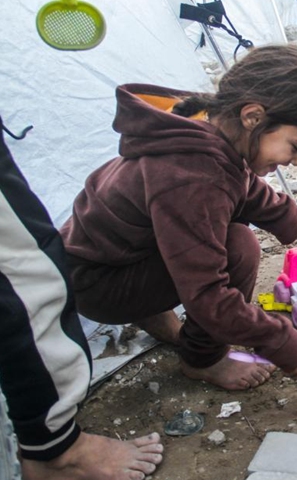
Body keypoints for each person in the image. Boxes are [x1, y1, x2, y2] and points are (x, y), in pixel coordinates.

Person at [59, 45, 297, 392]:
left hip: (117, 257)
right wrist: (286, 345)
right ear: (253, 116)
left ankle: (151, 311)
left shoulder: (208, 125)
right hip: (100, 283)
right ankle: (203, 359)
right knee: (239, 247)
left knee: (217, 236)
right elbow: (211, 298)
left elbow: (243, 184)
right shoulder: (193, 178)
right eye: (296, 146)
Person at [1, 116, 163, 480]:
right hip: (99, 287)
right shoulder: (186, 169)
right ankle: (56, 452)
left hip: (101, 280)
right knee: (23, 266)